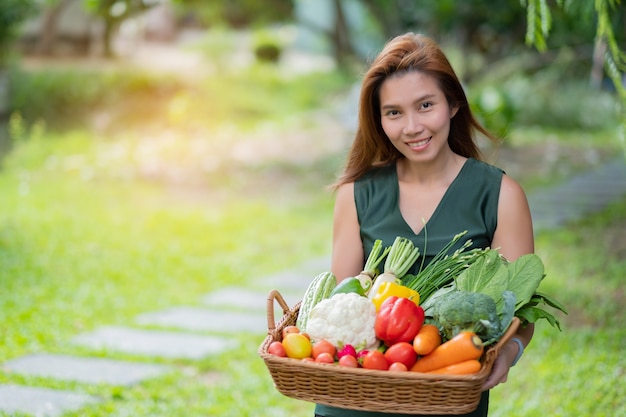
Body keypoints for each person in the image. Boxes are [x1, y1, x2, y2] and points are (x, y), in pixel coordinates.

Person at [316, 32, 535, 417]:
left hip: (448, 393)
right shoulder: (356, 193)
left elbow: (521, 308)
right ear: (378, 119)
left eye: (425, 105)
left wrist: (509, 352)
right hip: (357, 394)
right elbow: (343, 300)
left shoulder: (500, 194)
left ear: (452, 103)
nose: (412, 127)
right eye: (394, 112)